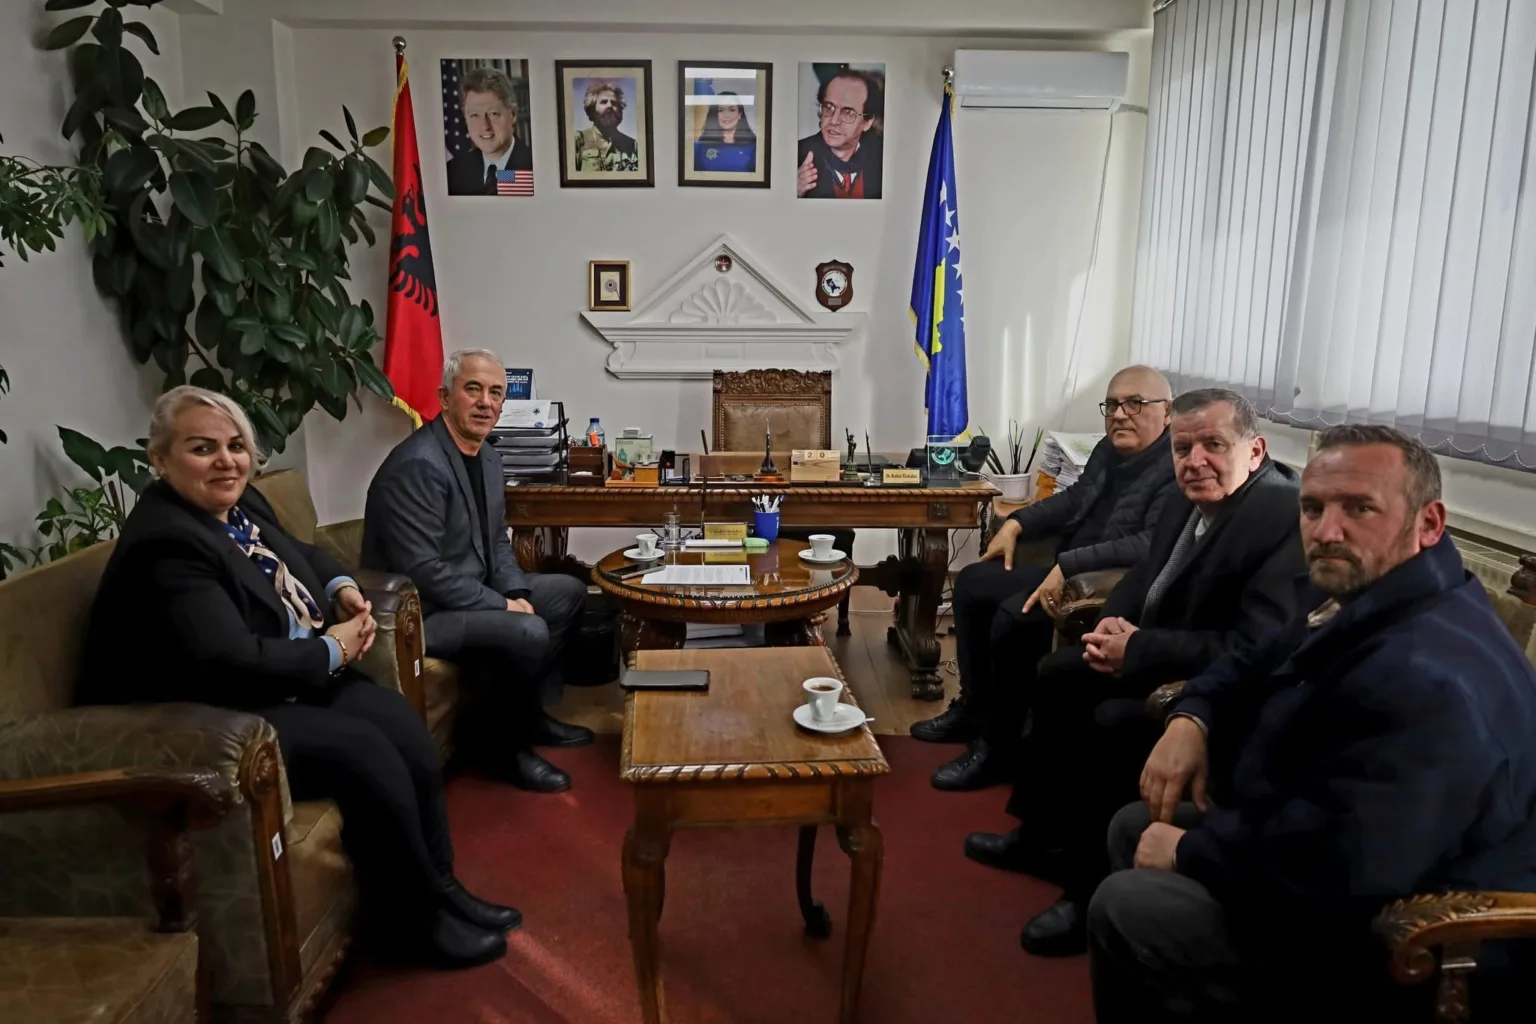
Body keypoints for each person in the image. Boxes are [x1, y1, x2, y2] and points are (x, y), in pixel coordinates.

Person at [1090, 425, 1536, 1023]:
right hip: (1319, 832)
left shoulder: (1425, 679)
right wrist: (1191, 718)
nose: (1327, 531)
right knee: (1136, 825)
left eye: (1359, 509)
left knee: (1127, 902)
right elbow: (1250, 661)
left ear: (1429, 523)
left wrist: (1193, 852)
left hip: (1399, 936)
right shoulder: (1376, 590)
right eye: (1313, 508)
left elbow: (1344, 869)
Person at [75, 386, 517, 969]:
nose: (226, 461)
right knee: (364, 752)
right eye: (202, 448)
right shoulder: (168, 545)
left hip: (278, 678)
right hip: (211, 713)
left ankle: (441, 888)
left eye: (236, 446)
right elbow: (231, 661)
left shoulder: (240, 506)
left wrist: (343, 587)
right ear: (160, 459)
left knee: (399, 722)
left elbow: (305, 553)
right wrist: (333, 650)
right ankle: (411, 923)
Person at [966, 388, 1306, 956]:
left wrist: (1140, 648)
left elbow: (1253, 649)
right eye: (1183, 448)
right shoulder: (1184, 497)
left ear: (1255, 450)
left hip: (1212, 688)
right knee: (1057, 674)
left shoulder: (1279, 517)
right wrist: (1112, 621)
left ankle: (1087, 890)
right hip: (1152, 652)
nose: (1195, 461)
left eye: (1214, 445)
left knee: (1110, 722)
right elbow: (1143, 574)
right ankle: (1038, 835)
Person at [912, 366, 1180, 794]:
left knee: (1014, 615)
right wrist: (1016, 523)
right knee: (974, 582)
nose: (1119, 415)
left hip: (1105, 588)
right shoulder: (1108, 451)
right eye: (1112, 404)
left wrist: (1069, 565)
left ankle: (998, 747)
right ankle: (974, 708)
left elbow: (1149, 544)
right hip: (1066, 568)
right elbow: (1074, 498)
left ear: (1167, 412)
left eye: (1135, 404)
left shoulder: (1175, 466)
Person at [362, 349, 592, 794]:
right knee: (528, 630)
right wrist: (503, 604)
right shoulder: (418, 464)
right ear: (444, 398)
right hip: (421, 613)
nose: (486, 402)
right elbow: (423, 570)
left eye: (496, 392)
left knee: (567, 593)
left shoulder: (486, 457)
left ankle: (529, 716)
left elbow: (497, 541)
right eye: (473, 389)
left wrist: (517, 591)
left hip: (468, 592)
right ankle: (504, 750)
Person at [797, 68, 883, 199]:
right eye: (829, 107)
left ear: (867, 122)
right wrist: (793, 193)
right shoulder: (797, 155)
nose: (834, 120)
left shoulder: (882, 158)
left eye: (848, 112)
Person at [446, 67, 532, 196]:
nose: (485, 126)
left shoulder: (535, 167)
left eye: (493, 114)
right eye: (475, 115)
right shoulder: (453, 172)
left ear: (513, 114)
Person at [572, 80, 638, 173]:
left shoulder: (632, 146)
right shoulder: (578, 141)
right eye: (603, 102)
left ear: (620, 111)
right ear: (592, 110)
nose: (610, 105)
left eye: (614, 103)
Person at [693, 91, 757, 173]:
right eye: (721, 110)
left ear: (739, 115)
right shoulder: (700, 145)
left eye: (732, 110)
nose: (726, 115)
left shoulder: (754, 146)